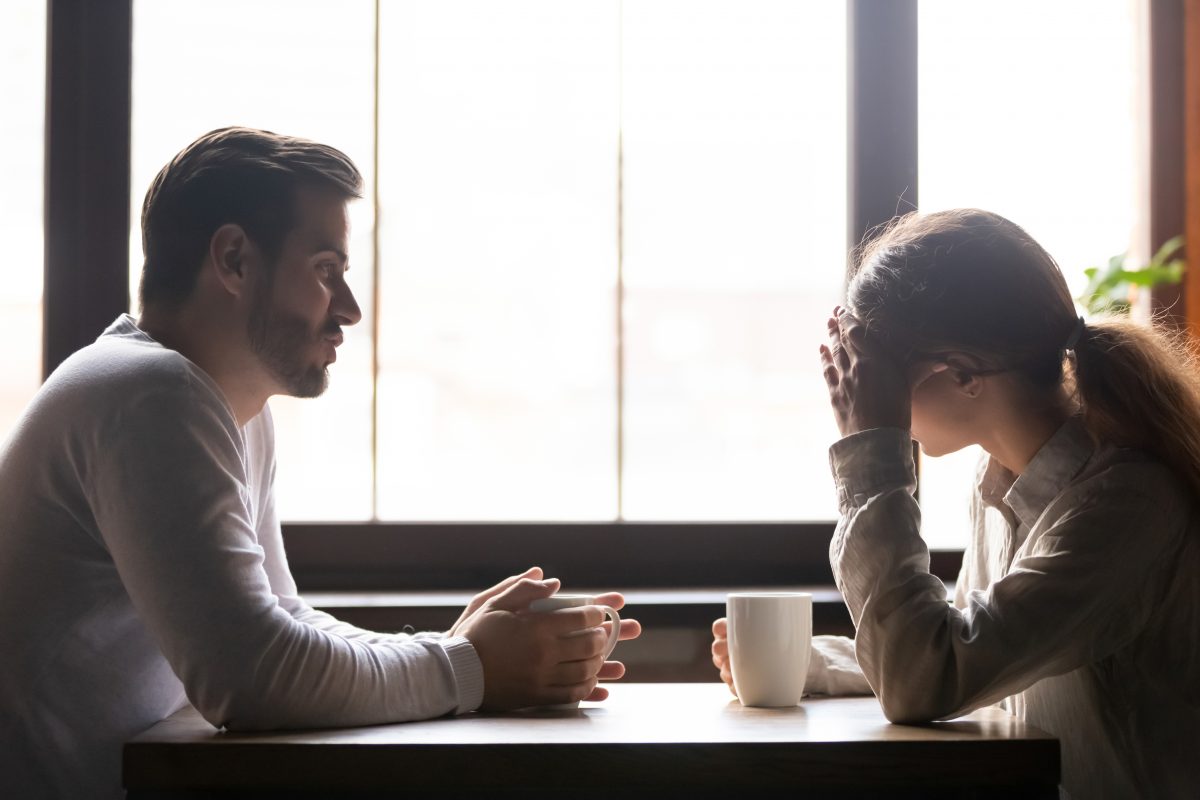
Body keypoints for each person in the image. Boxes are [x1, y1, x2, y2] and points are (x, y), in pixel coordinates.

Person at [0, 127, 640, 800]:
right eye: (325, 271)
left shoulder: (221, 409)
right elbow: (252, 680)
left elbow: (282, 620)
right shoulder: (151, 395)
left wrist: (457, 647)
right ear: (236, 260)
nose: (350, 310)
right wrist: (470, 665)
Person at [712, 209, 1200, 799]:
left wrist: (871, 451)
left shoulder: (1124, 506)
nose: (858, 391)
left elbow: (927, 678)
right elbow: (966, 649)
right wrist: (806, 663)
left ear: (965, 375)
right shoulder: (999, 479)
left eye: (876, 372)